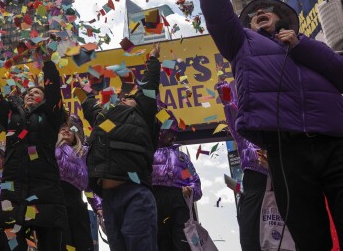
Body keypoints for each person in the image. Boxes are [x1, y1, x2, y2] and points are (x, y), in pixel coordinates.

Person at [189, 0, 343, 250]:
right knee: (309, 235)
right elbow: (216, 8)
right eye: (252, 14)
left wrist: (301, 46)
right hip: (286, 150)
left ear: (284, 18)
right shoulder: (242, 45)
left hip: (338, 145)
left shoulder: (310, 46)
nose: (260, 12)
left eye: (267, 10)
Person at [0, 58, 67, 250]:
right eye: (28, 92)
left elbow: (53, 91)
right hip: (14, 187)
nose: (30, 94)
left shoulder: (51, 116)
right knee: (12, 244)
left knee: (50, 244)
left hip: (45, 188)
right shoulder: (12, 116)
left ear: (44, 100)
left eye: (36, 92)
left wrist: (48, 63)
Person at [82, 43, 162, 251]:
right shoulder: (102, 117)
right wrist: (87, 84)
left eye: (130, 98)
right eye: (122, 97)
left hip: (135, 193)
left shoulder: (142, 113)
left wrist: (153, 60)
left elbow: (150, 86)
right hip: (109, 199)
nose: (124, 98)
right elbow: (88, 103)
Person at [214, 78, 269, 251]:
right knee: (251, 242)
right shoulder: (244, 138)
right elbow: (230, 107)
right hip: (253, 193)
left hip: (279, 189)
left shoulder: (278, 131)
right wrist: (224, 88)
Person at [152, 118, 202, 251]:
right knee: (158, 240)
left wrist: (191, 190)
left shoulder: (182, 157)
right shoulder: (149, 153)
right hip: (156, 199)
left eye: (173, 133)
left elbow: (193, 180)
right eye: (167, 133)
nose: (171, 137)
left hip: (179, 200)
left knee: (183, 241)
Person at [56, 115, 102, 251]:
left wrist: (98, 206)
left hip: (77, 205)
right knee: (62, 243)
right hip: (56, 202)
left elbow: (89, 186)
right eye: (62, 128)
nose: (66, 131)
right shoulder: (50, 149)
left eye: (71, 129)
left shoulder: (83, 154)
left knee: (83, 243)